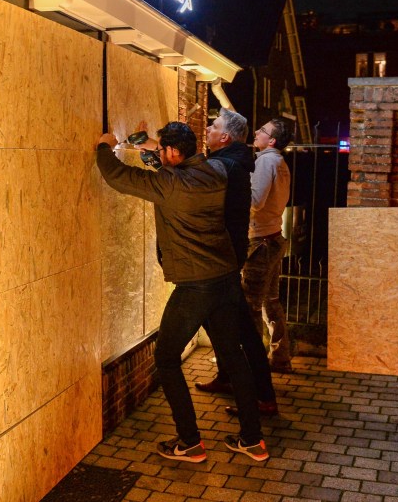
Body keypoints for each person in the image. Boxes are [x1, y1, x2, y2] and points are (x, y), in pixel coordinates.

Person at [96, 122, 269, 463]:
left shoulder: (170, 184)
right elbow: (176, 172)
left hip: (196, 284)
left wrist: (105, 145)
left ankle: (189, 441)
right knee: (233, 357)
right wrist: (153, 150)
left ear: (174, 152)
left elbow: (117, 176)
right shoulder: (215, 170)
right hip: (224, 277)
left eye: (163, 151)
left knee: (166, 357)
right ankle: (253, 440)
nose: (160, 155)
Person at [196, 109, 278, 417]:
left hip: (220, 260)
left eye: (214, 126)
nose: (208, 128)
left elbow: (187, 178)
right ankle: (232, 379)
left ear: (225, 137)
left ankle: (261, 400)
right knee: (228, 326)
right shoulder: (231, 163)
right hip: (225, 257)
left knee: (241, 332)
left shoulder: (224, 165)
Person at [244, 118, 294, 372]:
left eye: (262, 130)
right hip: (274, 238)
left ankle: (253, 365)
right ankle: (281, 358)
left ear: (272, 140)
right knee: (271, 301)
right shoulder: (281, 163)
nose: (256, 132)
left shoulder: (265, 161)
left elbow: (254, 201)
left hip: (260, 242)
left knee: (251, 305)